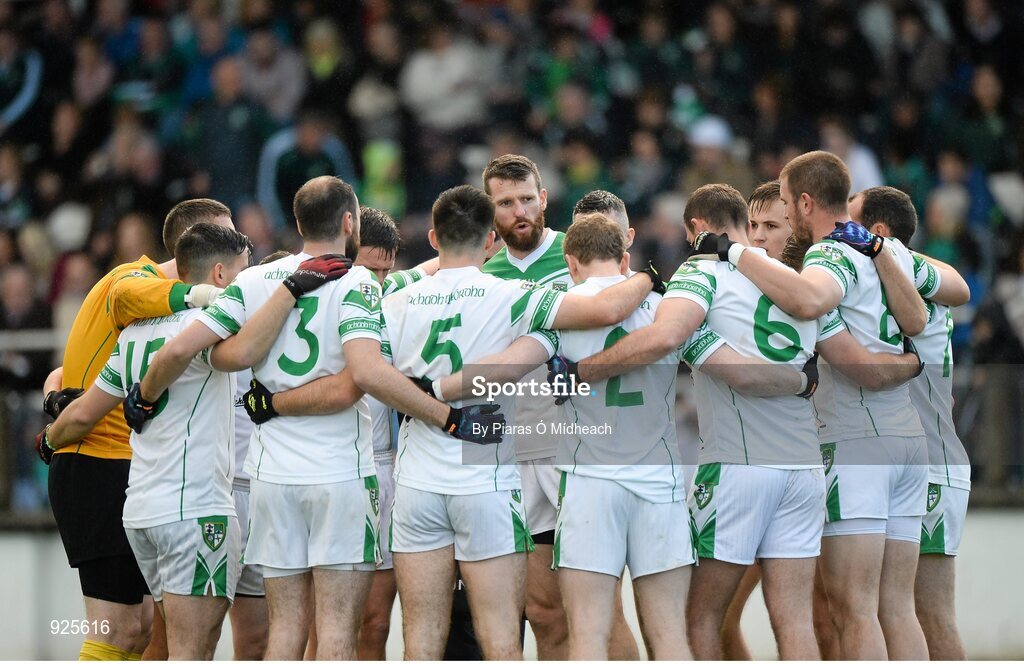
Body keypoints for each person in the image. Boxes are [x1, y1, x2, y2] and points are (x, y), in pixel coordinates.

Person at [131, 176, 495, 660]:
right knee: (337, 632)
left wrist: (147, 395)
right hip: (339, 475)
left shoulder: (254, 280)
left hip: (270, 479)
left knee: (286, 631)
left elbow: (187, 350)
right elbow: (360, 378)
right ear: (350, 221)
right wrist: (445, 415)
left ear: (298, 223)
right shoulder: (357, 280)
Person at [382, 184, 659, 659]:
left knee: (421, 637)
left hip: (418, 482)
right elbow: (608, 308)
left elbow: (370, 374)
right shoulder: (516, 295)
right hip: (492, 478)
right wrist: (650, 276)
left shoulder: (394, 297)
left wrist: (436, 406)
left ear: (432, 238)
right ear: (491, 239)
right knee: (502, 636)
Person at [693, 151, 930, 659]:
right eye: (752, 226)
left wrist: (732, 255)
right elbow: (948, 294)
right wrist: (914, 362)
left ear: (802, 205)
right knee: (885, 607)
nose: (759, 236)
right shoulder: (886, 251)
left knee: (849, 610)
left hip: (843, 447)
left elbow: (808, 306)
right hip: (903, 442)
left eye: (776, 217)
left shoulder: (817, 265)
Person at [40, 223, 253, 659]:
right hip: (144, 488)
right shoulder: (139, 287)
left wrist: (49, 427)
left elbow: (73, 388)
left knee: (137, 633)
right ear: (214, 267)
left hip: (132, 491)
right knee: (126, 634)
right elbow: (150, 316)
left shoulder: (135, 331)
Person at [240, 208, 439, 659]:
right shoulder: (340, 290)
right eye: (372, 268)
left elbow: (436, 265)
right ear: (346, 247)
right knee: (325, 625)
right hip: (339, 469)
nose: (380, 279)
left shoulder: (389, 292)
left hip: (377, 467)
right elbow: (355, 383)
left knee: (371, 622)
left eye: (388, 269)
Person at [480, 155, 638, 660]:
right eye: (505, 203)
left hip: (579, 444)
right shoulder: (484, 273)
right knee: (543, 611)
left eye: (527, 198)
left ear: (545, 199)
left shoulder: (574, 256)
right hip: (518, 451)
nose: (519, 210)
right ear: (491, 211)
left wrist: (653, 275)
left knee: (600, 609)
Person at [542, 213, 697, 659]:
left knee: (589, 636)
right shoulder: (663, 308)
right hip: (659, 483)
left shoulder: (557, 306)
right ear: (625, 258)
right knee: (670, 636)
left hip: (590, 483)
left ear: (571, 261)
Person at [849, 186, 972, 660]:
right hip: (904, 463)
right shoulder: (890, 283)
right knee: (887, 610)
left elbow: (958, 286)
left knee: (928, 614)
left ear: (878, 235)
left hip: (933, 465)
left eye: (849, 223)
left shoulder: (905, 274)